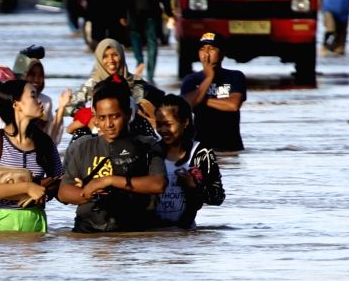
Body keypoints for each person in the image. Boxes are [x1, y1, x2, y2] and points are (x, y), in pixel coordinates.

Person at [58, 76, 166, 233]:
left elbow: (158, 184)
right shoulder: (83, 146)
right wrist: (87, 192)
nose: (108, 124)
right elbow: (63, 192)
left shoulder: (147, 145)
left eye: (114, 116)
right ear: (95, 119)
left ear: (128, 114)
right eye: (102, 118)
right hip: (88, 232)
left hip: (135, 231)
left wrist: (108, 180)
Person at [0, 79, 64, 233]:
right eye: (33, 96)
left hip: (35, 222)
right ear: (16, 104)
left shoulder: (46, 142)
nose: (40, 101)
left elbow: (60, 180)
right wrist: (27, 187)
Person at [152, 94, 225, 228]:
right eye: (159, 124)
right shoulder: (150, 151)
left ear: (185, 122)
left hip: (186, 233)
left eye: (168, 124)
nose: (163, 130)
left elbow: (217, 197)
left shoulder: (201, 153)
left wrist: (193, 185)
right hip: (153, 233)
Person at [179, 31, 247, 153]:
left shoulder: (235, 76)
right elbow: (186, 105)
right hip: (201, 148)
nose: (206, 53)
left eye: (211, 49)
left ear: (222, 53)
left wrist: (201, 99)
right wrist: (209, 77)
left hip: (231, 147)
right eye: (202, 49)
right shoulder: (191, 79)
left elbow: (233, 105)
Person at [64, 37, 145, 117]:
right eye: (105, 56)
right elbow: (67, 108)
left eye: (115, 55)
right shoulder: (92, 85)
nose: (111, 60)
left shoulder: (136, 83)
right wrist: (88, 115)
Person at [12, 46, 71, 144]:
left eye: (40, 75)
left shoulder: (46, 101)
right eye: (32, 75)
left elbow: (51, 137)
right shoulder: (13, 98)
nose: (36, 79)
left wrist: (62, 107)